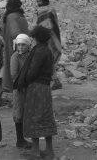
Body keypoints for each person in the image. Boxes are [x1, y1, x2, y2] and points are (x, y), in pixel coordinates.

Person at [17, 25, 58, 159]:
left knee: (33, 116)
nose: (32, 40)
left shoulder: (39, 51)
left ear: (37, 38)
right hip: (45, 88)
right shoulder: (48, 50)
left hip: (36, 88)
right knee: (45, 117)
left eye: (33, 37)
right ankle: (49, 151)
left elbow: (32, 71)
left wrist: (24, 81)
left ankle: (35, 151)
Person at [0, 0, 29, 93]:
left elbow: (14, 33)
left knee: (13, 68)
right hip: (25, 46)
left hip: (15, 47)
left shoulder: (11, 17)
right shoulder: (21, 16)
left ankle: (12, 89)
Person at [35, 0, 63, 90]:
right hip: (47, 37)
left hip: (50, 37)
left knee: (49, 59)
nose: (38, 3)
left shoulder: (49, 10)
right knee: (48, 59)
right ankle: (54, 81)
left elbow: (52, 23)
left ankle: (54, 81)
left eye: (39, 1)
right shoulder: (49, 10)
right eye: (37, 1)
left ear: (44, 0)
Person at [10, 34, 32, 149]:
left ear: (28, 45)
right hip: (19, 89)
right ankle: (20, 140)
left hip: (28, 88)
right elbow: (14, 74)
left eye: (23, 45)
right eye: (19, 45)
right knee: (18, 114)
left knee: (27, 113)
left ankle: (24, 138)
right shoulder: (15, 57)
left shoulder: (30, 56)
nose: (21, 47)